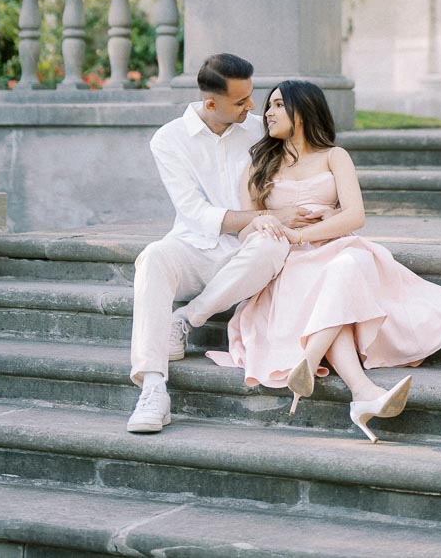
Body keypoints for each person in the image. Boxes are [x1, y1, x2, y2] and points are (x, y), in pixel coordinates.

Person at [208, 80, 441, 443]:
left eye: (279, 105)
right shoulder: (259, 163)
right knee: (334, 286)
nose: (268, 112)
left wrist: (304, 235)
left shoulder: (334, 156)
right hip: (285, 260)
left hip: (332, 248)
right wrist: (268, 222)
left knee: (349, 265)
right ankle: (361, 392)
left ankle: (310, 360)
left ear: (303, 109)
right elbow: (244, 231)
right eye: (269, 105)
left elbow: (354, 216)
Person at [127, 53, 326, 433]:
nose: (253, 106)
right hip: (194, 248)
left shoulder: (259, 129)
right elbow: (195, 212)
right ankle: (153, 388)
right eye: (241, 101)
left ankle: (185, 320)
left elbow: (308, 158)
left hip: (252, 251)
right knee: (152, 257)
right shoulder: (168, 140)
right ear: (211, 104)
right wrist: (266, 217)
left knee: (272, 243)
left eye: (252, 96)